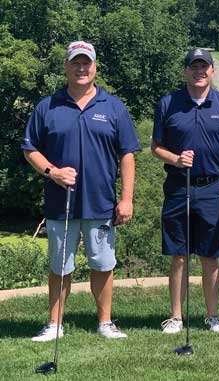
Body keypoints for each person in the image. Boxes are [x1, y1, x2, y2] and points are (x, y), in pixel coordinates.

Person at [23, 41, 141, 341]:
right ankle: (55, 324)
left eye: (86, 62)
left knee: (103, 264)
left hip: (101, 202)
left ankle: (104, 323)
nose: (81, 68)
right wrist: (53, 171)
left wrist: (127, 199)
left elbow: (128, 154)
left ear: (95, 67)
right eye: (75, 62)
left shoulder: (113, 106)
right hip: (59, 202)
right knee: (60, 265)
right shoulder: (47, 106)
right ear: (65, 66)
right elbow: (30, 149)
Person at [152, 48, 219, 334]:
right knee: (179, 254)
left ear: (212, 71)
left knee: (210, 254)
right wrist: (176, 159)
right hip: (179, 186)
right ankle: (177, 317)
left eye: (204, 67)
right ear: (185, 71)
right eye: (194, 67)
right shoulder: (168, 103)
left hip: (212, 188)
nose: (199, 71)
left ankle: (213, 316)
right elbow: (156, 148)